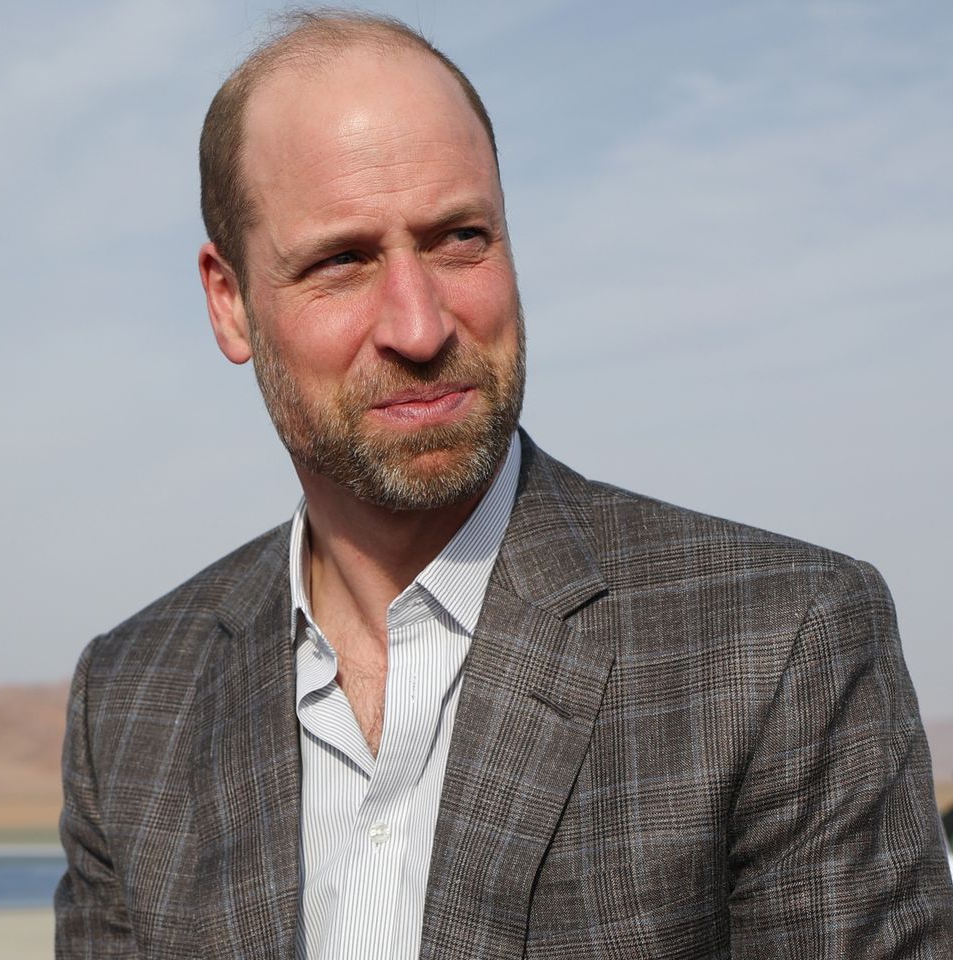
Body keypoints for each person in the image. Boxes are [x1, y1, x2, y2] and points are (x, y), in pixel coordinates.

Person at [55, 10, 953, 959]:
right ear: (229, 301)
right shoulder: (131, 704)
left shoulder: (781, 646)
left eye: (459, 240)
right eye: (342, 261)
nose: (419, 323)